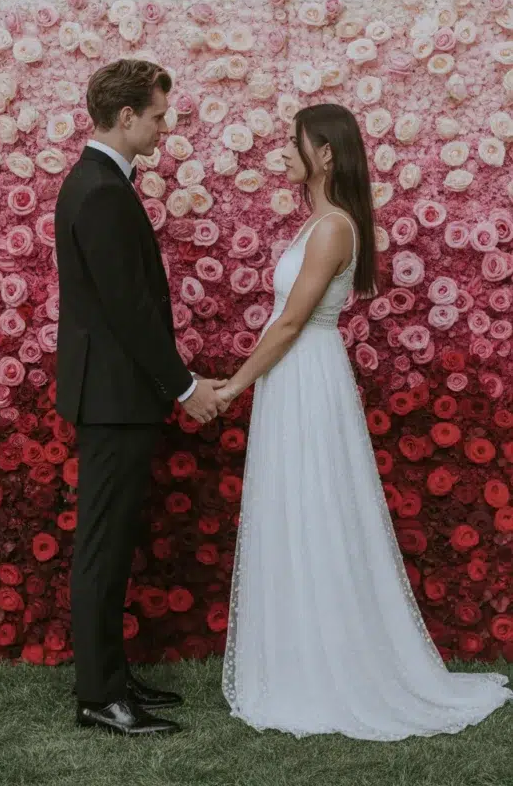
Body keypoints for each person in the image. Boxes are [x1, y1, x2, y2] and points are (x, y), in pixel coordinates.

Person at [217, 103, 512, 740]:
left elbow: (292, 322)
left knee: (315, 506)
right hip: (294, 376)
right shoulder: (318, 223)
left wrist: (235, 383)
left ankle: (329, 667)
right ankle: (300, 658)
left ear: (325, 154)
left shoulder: (332, 229)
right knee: (294, 506)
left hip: (306, 373)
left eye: (295, 145)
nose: (285, 155)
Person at [55, 58, 224, 737]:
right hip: (115, 398)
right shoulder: (99, 190)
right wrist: (184, 386)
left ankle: (111, 677)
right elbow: (128, 307)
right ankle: (99, 695)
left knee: (114, 542)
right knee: (103, 547)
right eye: (157, 115)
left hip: (115, 395)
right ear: (126, 117)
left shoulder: (100, 182)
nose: (163, 125)